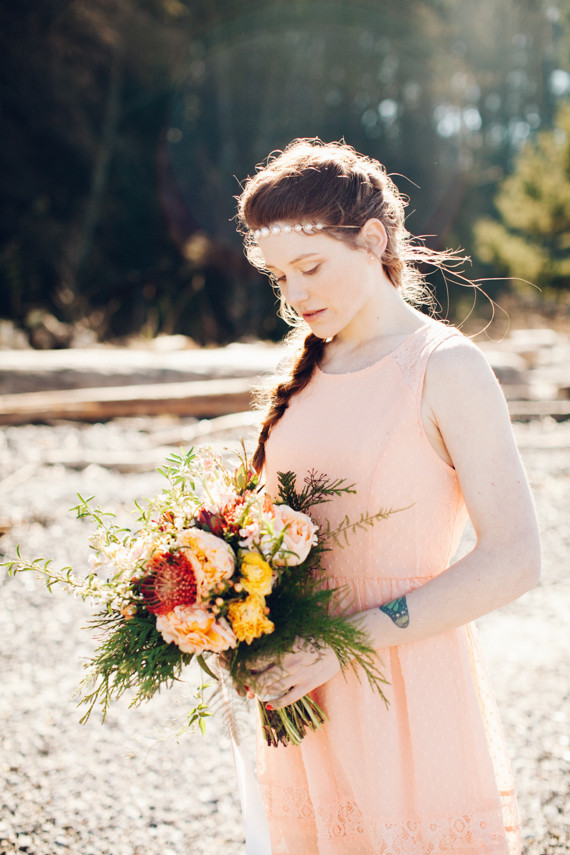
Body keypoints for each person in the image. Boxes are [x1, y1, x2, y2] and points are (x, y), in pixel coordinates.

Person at [235, 138, 540, 855]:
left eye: (310, 267)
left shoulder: (447, 367)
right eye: (280, 278)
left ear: (372, 240)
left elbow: (515, 557)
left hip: (403, 687)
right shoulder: (301, 371)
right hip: (301, 696)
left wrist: (342, 644)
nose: (297, 295)